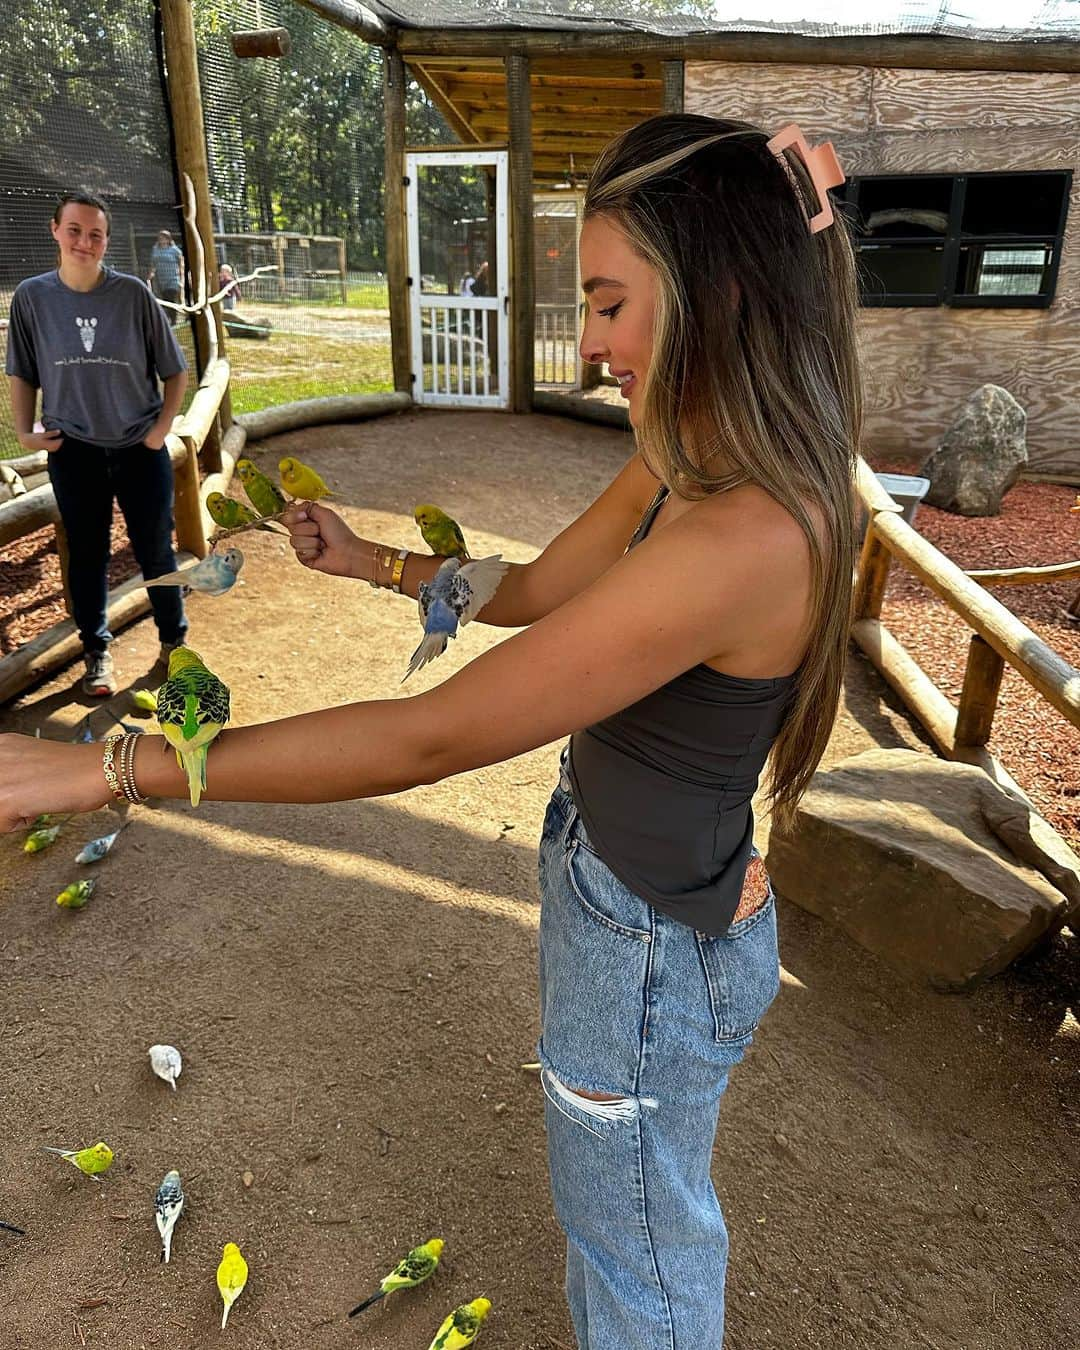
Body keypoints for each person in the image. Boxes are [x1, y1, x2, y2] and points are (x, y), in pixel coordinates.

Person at [0, 115, 860, 1346]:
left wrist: (109, 769)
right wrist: (381, 564)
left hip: (652, 952)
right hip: (626, 893)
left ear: (720, 292)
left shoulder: (745, 533)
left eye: (611, 302)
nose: (588, 343)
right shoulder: (690, 456)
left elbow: (431, 739)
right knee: (624, 1226)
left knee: (642, 1262)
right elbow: (544, 590)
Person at [5, 192, 189, 697]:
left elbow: (175, 372)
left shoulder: (132, 295)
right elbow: (21, 371)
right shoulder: (32, 298)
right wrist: (25, 431)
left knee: (156, 551)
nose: (84, 242)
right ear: (55, 231)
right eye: (74, 230)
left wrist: (159, 432)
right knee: (88, 554)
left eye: (95, 234)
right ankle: (97, 652)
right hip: (75, 449)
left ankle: (175, 645)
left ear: (107, 240)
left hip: (138, 447)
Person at [147, 228, 184, 324]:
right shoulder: (155, 249)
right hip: (160, 279)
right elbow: (153, 263)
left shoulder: (174, 250)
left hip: (172, 278)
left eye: (163, 238)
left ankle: (174, 321)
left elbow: (181, 263)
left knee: (170, 299)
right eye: (160, 238)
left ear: (168, 239)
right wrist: (151, 273)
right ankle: (168, 321)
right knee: (164, 300)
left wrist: (181, 277)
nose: (161, 240)